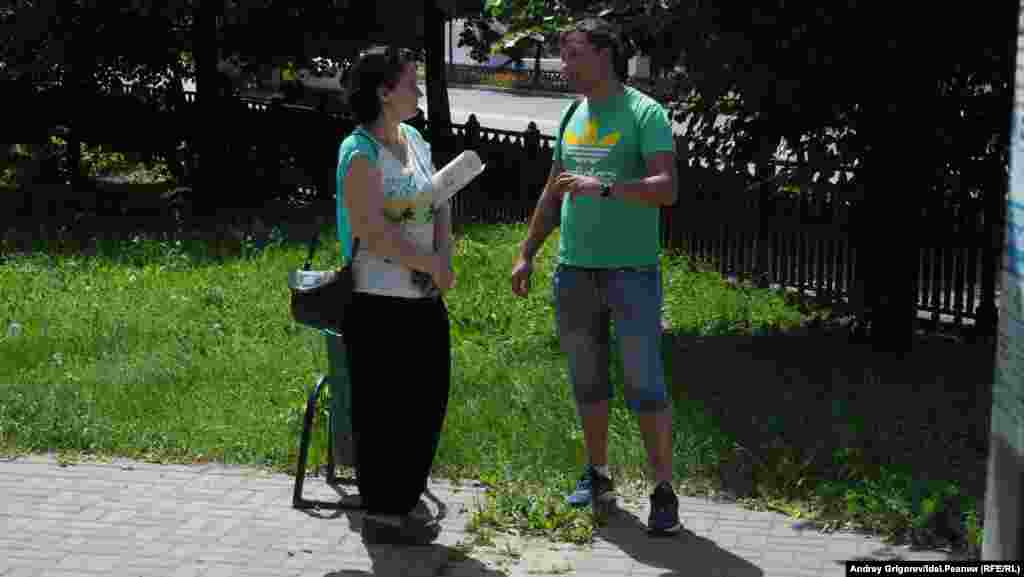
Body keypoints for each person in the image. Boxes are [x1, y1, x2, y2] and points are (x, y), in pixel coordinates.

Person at [510, 17, 682, 536]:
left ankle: (663, 491)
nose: (565, 66)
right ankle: (598, 475)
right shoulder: (572, 113)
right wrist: (528, 252)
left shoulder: (645, 113)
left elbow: (667, 187)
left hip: (631, 273)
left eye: (574, 55)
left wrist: (604, 187)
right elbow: (554, 189)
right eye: (563, 55)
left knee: (644, 383)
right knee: (587, 381)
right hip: (574, 271)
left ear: (605, 56)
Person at [336, 46, 456, 545]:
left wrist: (443, 256)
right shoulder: (359, 151)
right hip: (377, 303)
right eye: (411, 83)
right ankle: (383, 517)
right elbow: (372, 230)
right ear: (385, 93)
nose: (419, 90)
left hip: (424, 299)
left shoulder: (415, 139)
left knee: (425, 404)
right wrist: (428, 263)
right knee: (384, 413)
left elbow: (439, 198)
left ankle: (405, 503)